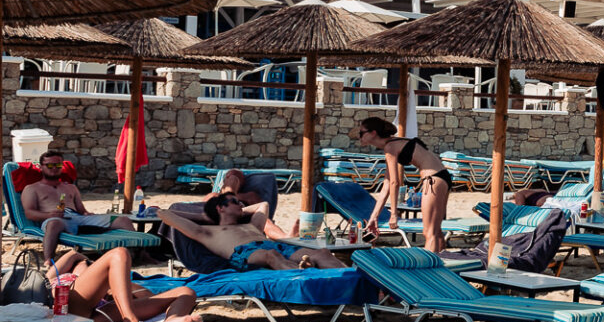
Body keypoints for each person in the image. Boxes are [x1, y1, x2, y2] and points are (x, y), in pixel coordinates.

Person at [155, 194, 347, 270]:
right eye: (234, 202)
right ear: (220, 208)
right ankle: (303, 276)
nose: (240, 204)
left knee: (322, 253)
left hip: (274, 246)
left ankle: (351, 278)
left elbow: (263, 205)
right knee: (271, 255)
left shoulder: (252, 225)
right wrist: (206, 217)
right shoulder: (207, 232)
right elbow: (166, 214)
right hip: (246, 253)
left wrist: (238, 211)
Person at [356, 116, 455, 253]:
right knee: (436, 231)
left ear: (373, 133)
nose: (359, 136)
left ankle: (427, 266)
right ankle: (442, 262)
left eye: (361, 133)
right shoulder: (395, 143)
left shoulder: (390, 147)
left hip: (432, 179)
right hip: (441, 177)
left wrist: (394, 214)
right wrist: (374, 217)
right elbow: (387, 184)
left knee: (429, 232)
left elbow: (395, 182)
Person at [51, 249, 200, 322]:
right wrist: (83, 260)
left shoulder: (114, 281)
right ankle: (130, 321)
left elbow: (147, 297)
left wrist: (113, 287)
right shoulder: (61, 277)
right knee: (119, 253)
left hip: (103, 313)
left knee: (186, 292)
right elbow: (72, 254)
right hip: (69, 308)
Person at [19, 156, 139, 265]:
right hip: (54, 219)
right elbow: (29, 213)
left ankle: (140, 253)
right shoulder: (32, 189)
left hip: (78, 217)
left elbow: (81, 210)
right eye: (50, 165)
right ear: (41, 167)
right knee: (54, 223)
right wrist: (49, 215)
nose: (54, 168)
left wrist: (86, 214)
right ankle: (48, 260)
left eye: (58, 165)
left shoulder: (71, 187)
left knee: (123, 220)